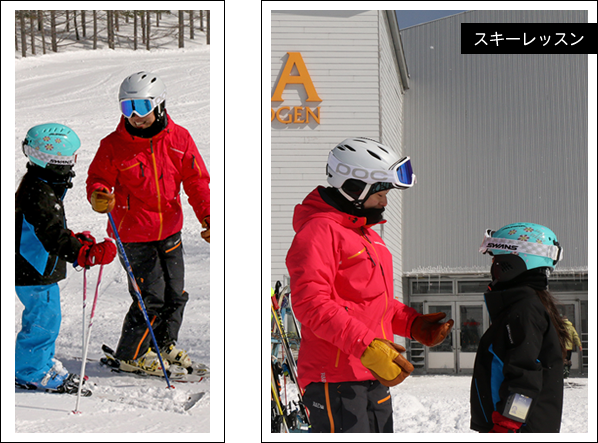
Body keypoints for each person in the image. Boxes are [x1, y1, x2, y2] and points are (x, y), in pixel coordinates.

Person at [286, 137, 454, 433]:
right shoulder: (319, 232)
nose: (385, 202)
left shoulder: (367, 236)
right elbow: (311, 304)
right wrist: (367, 346)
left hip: (372, 373)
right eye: (381, 193)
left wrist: (413, 324)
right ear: (355, 187)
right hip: (335, 378)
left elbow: (374, 303)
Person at [86, 71, 222, 376]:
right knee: (152, 297)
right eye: (127, 108)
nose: (135, 116)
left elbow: (197, 181)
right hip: (132, 234)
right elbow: (98, 179)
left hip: (169, 229)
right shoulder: (113, 145)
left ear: (159, 104)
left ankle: (162, 344)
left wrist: (209, 216)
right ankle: (131, 353)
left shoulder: (179, 139)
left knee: (175, 294)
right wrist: (98, 194)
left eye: (142, 107)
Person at [5, 123, 116, 392]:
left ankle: (34, 362)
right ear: (57, 160)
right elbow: (52, 235)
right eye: (70, 158)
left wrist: (76, 240)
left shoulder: (40, 185)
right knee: (45, 321)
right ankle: (32, 370)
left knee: (43, 318)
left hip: (35, 268)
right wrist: (83, 253)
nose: (73, 164)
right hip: (35, 272)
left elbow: (48, 230)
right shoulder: (39, 192)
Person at [471, 223, 571, 434]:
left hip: (517, 429)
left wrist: (506, 425)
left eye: (495, 260)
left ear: (511, 263)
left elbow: (525, 378)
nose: (492, 267)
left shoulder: (524, 310)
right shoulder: (523, 306)